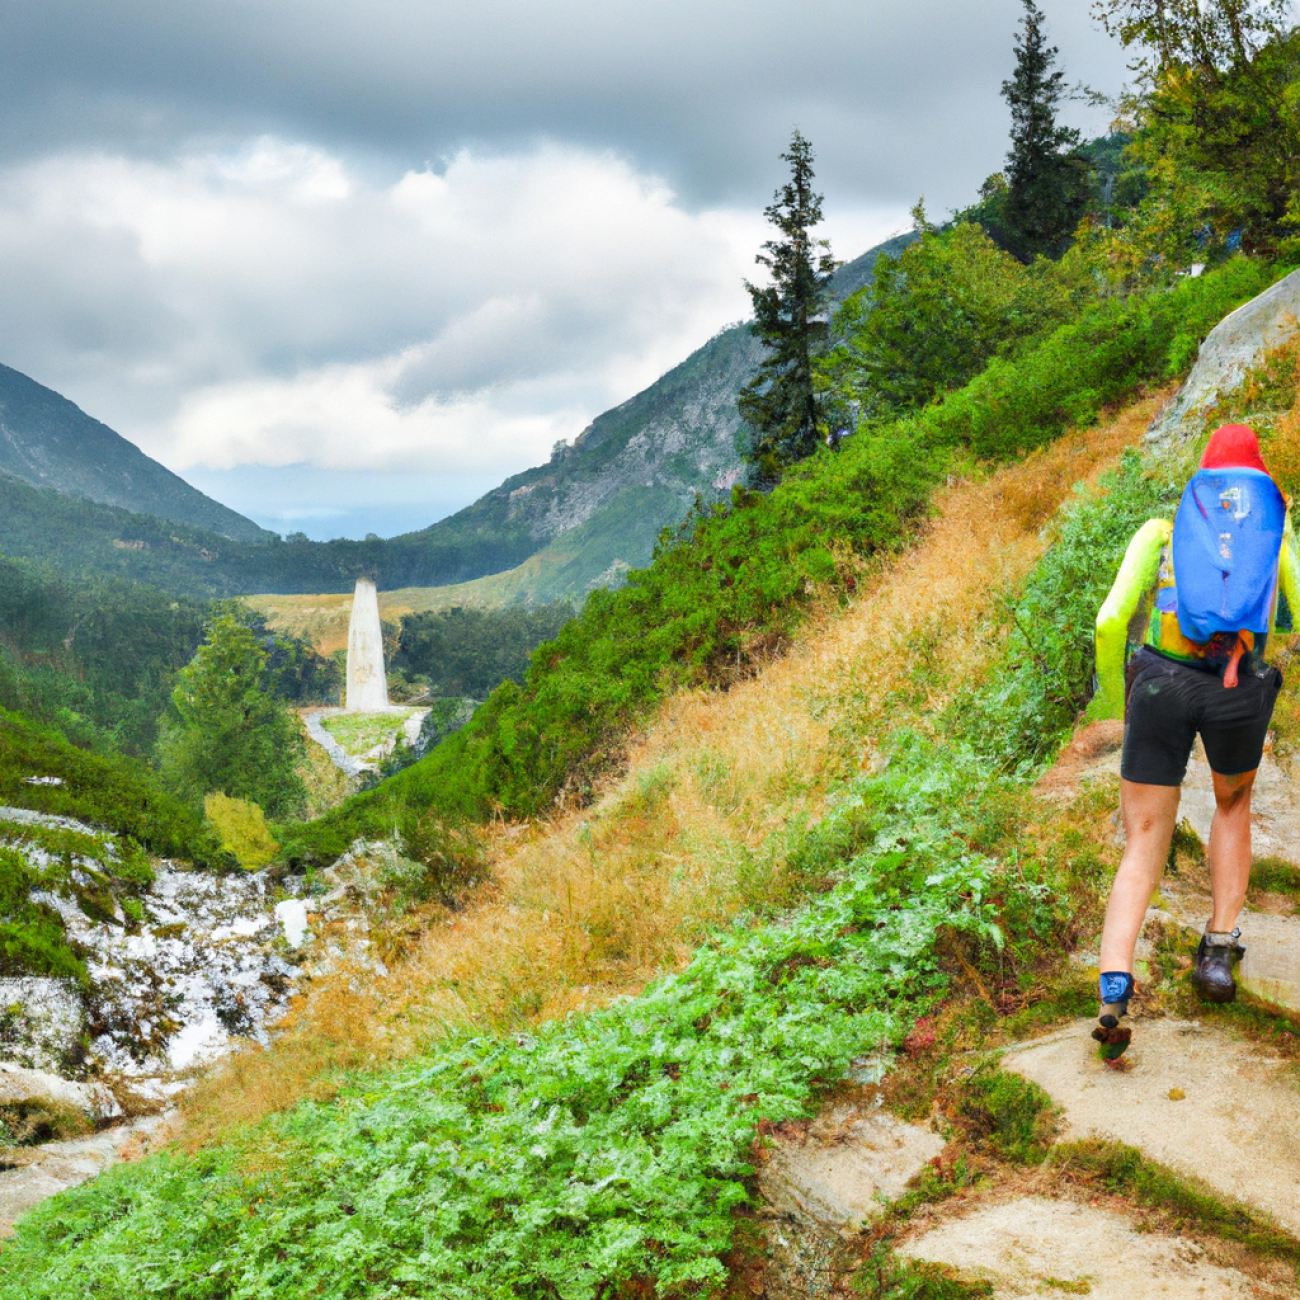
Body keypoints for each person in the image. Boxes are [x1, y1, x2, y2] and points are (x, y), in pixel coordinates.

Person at [1091, 424, 1300, 1059]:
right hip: (1237, 691)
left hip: (1159, 685)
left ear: (1201, 484)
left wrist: (1112, 701)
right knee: (1232, 806)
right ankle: (1216, 950)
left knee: (1146, 836)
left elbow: (1108, 621)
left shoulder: (1162, 533)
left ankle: (1114, 982)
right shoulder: (1274, 534)